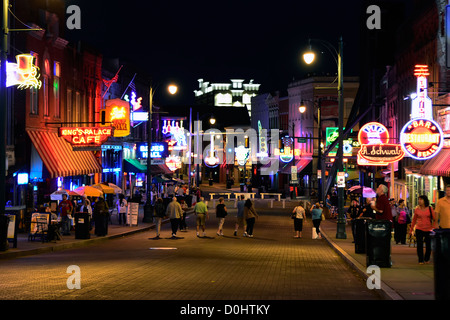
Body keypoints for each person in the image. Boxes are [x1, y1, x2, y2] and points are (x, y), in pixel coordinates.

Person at [410, 195, 437, 264]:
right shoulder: (417, 209)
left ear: (425, 200)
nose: (419, 201)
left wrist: (433, 227)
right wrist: (411, 229)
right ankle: (420, 259)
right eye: (419, 199)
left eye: (421, 199)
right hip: (419, 228)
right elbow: (414, 220)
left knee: (428, 245)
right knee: (419, 245)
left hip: (428, 229)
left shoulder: (430, 209)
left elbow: (435, 219)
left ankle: (427, 258)